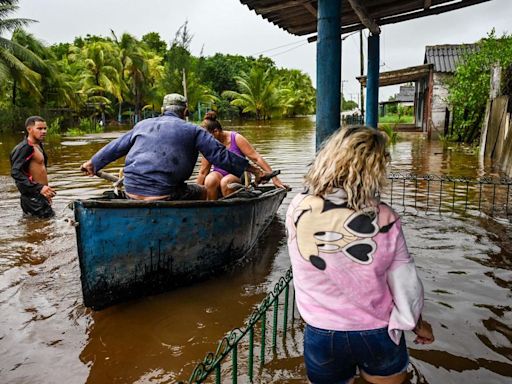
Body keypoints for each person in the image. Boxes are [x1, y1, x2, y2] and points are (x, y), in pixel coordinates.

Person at [286, 126, 434, 384]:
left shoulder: (297, 209)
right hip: (378, 333)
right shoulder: (386, 219)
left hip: (322, 333)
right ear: (376, 170)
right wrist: (416, 324)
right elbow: (406, 286)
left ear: (329, 158)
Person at [81, 94, 272, 200]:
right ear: (186, 112)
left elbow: (116, 147)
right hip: (165, 194)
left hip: (131, 190)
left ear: (163, 110)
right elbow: (221, 156)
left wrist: (93, 163)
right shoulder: (193, 130)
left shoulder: (142, 125)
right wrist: (253, 170)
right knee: (204, 192)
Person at [196, 111, 287, 200]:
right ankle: (212, 211)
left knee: (226, 183)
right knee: (209, 180)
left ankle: (233, 212)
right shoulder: (209, 144)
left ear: (216, 131)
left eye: (207, 136)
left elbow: (256, 158)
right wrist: (196, 197)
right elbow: (203, 172)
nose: (206, 140)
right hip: (219, 173)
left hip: (240, 174)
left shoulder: (235, 138)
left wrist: (275, 179)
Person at [10, 116, 56, 218]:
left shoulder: (38, 145)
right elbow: (16, 172)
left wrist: (45, 192)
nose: (43, 131)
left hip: (40, 196)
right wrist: (39, 188)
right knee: (44, 227)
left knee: (41, 227)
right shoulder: (24, 148)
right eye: (39, 129)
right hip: (33, 199)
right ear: (29, 129)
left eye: (45, 128)